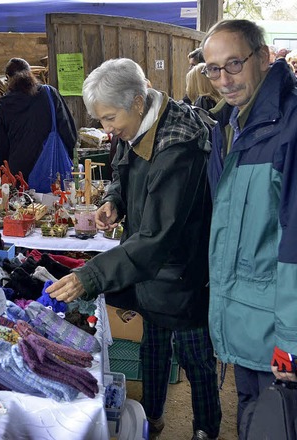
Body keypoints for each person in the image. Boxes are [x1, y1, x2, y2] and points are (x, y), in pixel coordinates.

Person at [46, 58, 221, 440]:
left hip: (183, 272)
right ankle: (152, 418)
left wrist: (90, 275)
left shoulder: (180, 145)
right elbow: (123, 175)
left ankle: (206, 429)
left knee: (196, 359)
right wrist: (114, 200)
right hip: (145, 267)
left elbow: (159, 234)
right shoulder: (137, 128)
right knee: (153, 351)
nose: (107, 129)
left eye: (110, 118)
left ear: (138, 102)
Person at [200, 19, 297, 435]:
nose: (224, 79)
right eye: (212, 69)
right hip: (244, 325)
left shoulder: (288, 130)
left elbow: (294, 246)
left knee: (280, 422)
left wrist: (290, 347)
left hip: (277, 336)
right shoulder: (228, 126)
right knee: (253, 421)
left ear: (263, 57)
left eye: (234, 64)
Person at [0, 57, 77, 184]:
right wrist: (70, 156)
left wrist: (4, 169)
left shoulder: (5, 104)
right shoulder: (49, 94)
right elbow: (69, 132)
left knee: (22, 203)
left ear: (8, 78)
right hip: (52, 169)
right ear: (30, 73)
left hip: (19, 173)